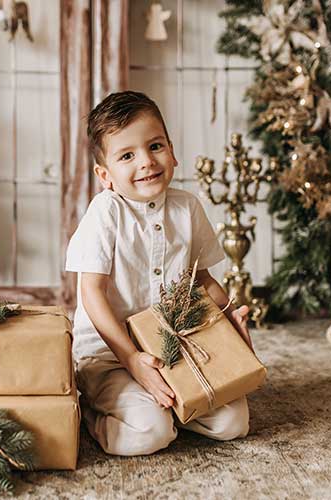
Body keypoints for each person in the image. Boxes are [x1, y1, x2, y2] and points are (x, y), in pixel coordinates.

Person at [65, 90, 254, 456]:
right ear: (105, 175)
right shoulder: (106, 213)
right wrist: (131, 358)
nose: (146, 162)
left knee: (233, 424)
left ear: (172, 150)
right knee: (149, 435)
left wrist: (230, 320)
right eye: (127, 155)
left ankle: (173, 402)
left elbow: (203, 281)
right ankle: (92, 410)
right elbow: (91, 293)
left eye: (155, 146)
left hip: (177, 346)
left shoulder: (187, 207)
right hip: (110, 355)